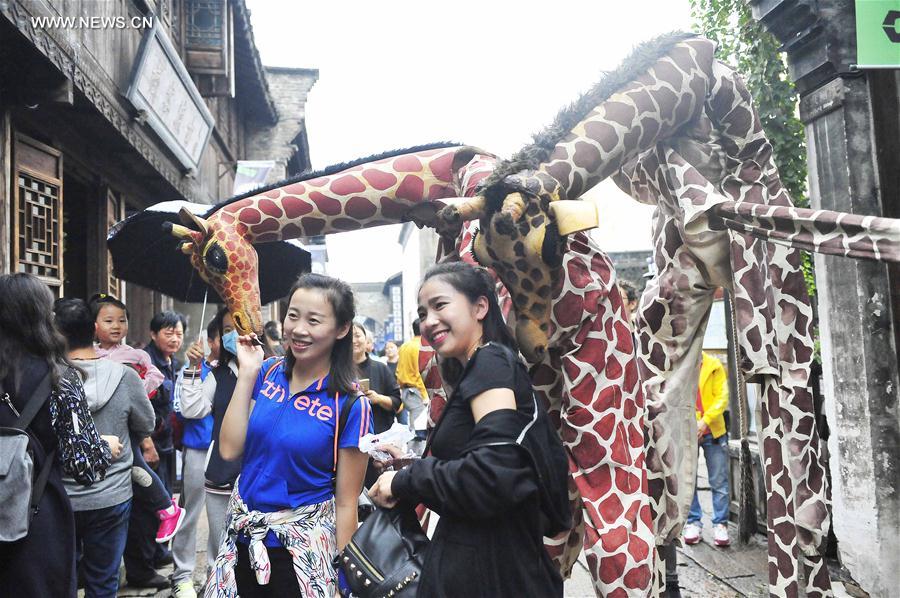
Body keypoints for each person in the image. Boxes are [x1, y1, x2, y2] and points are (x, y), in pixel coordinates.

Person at [369, 262, 571, 598]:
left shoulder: (490, 364)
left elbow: (493, 475)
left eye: (440, 305)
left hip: (495, 574)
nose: (428, 320)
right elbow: (488, 458)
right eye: (422, 312)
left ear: (480, 307)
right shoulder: (484, 367)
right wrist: (407, 465)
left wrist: (405, 480)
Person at [208, 273, 373, 597]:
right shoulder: (267, 372)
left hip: (301, 556)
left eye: (314, 320)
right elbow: (228, 450)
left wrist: (346, 580)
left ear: (342, 329)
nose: (298, 329)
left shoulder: (350, 404)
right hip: (241, 541)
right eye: (293, 315)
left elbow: (346, 503)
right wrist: (247, 374)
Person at [0, 273, 110, 598]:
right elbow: (86, 467)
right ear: (39, 316)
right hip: (37, 518)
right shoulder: (60, 379)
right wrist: (104, 447)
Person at [55, 297, 156, 598]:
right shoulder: (124, 376)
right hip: (111, 494)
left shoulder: (49, 378)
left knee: (63, 579)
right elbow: (146, 424)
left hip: (61, 496)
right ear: (93, 330)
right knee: (104, 581)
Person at [90, 295, 186, 549]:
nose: (116, 326)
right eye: (108, 320)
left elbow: (154, 378)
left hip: (128, 425)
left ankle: (167, 507)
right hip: (100, 427)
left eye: (121, 320)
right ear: (93, 325)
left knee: (136, 464)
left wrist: (136, 389)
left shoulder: (134, 355)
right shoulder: (91, 354)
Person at [178, 308, 243, 586]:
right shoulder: (219, 376)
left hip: (260, 473)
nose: (233, 335)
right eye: (227, 330)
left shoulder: (274, 371)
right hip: (222, 473)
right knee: (220, 546)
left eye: (238, 327)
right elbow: (192, 408)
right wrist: (193, 367)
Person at [123, 311, 187, 587]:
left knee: (164, 504)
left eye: (179, 333)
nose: (175, 338)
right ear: (153, 334)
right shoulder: (143, 362)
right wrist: (147, 443)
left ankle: (159, 552)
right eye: (168, 332)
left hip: (166, 443)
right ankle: (141, 569)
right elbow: (137, 408)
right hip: (148, 444)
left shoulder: (173, 362)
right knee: (147, 507)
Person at [170, 327, 218, 598]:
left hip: (228, 452)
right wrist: (192, 367)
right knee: (190, 513)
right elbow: (181, 408)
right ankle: (183, 575)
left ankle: (216, 573)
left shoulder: (239, 370)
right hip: (198, 448)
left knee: (221, 517)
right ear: (209, 341)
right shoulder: (196, 369)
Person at [683, 351, 731, 548]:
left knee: (719, 480)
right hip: (687, 430)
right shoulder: (682, 365)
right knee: (689, 479)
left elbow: (723, 396)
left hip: (714, 430)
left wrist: (705, 421)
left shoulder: (714, 365)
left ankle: (721, 523)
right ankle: (693, 522)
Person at [352, 322, 402, 487]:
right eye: (349, 336)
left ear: (366, 339)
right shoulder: (337, 371)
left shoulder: (380, 368)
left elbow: (396, 402)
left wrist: (378, 398)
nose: (353, 340)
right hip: (349, 446)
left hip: (379, 447)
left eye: (357, 335)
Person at [395, 318, 429, 437]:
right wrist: (425, 395)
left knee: (414, 428)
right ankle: (416, 455)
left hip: (405, 390)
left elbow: (398, 370)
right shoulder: (421, 347)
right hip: (416, 392)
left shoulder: (404, 346)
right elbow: (419, 373)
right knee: (418, 431)